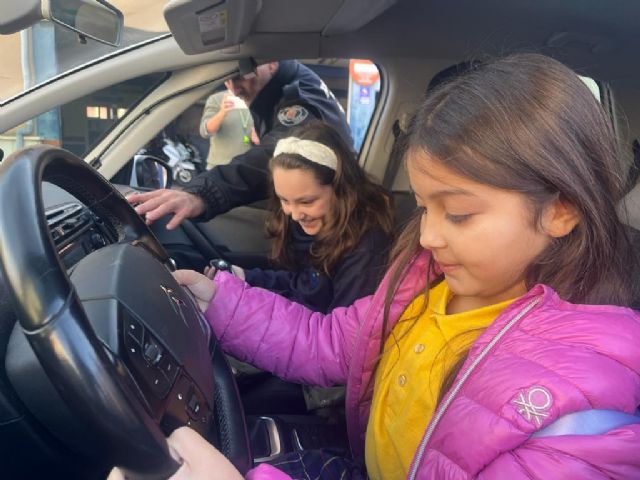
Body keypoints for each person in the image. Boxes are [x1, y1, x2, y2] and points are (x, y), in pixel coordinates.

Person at [121, 53, 640, 479]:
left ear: (560, 208)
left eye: (457, 214)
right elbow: (327, 343)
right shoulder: (424, 284)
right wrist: (222, 303)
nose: (429, 236)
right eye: (423, 206)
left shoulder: (581, 411)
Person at [127, 60, 351, 230]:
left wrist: (202, 194)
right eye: (228, 80)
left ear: (271, 63)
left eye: (241, 77)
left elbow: (279, 153)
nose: (234, 89)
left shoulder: (296, 94)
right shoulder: (282, 87)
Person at [211, 121, 393, 314]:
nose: (295, 215)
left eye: (306, 202)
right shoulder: (322, 226)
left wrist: (244, 307)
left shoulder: (365, 251)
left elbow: (337, 334)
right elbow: (304, 285)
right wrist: (245, 277)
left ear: (341, 189)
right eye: (284, 200)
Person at [199, 90, 255, 169]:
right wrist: (222, 113)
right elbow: (204, 131)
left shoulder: (256, 96)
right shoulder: (216, 99)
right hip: (221, 166)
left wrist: (260, 136)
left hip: (250, 165)